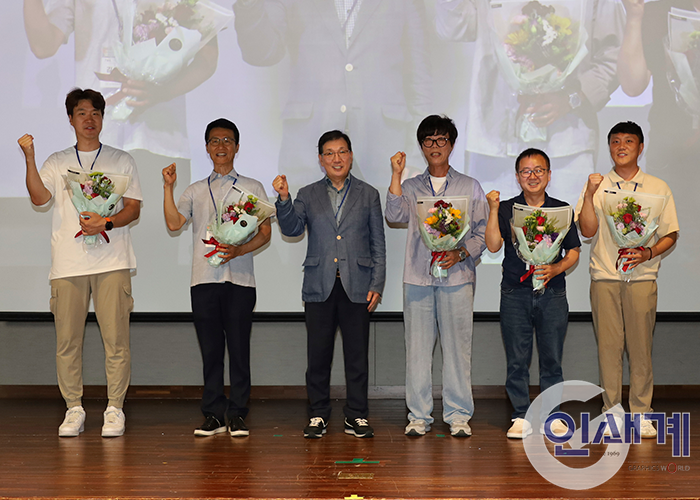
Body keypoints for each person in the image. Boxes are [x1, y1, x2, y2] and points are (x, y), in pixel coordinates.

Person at [17, 88, 142, 437]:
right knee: (67, 342)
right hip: (68, 264)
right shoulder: (57, 161)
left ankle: (114, 408)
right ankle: (74, 408)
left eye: (96, 113)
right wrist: (30, 157)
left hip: (112, 261)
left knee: (116, 341)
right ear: (71, 119)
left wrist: (107, 222)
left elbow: (133, 208)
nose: (90, 119)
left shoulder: (121, 159)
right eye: (82, 113)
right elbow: (40, 198)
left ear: (103, 118)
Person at [435, 0, 624, 199]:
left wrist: (572, 98)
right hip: (493, 142)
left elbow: (614, 53)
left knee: (567, 219)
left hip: (566, 144)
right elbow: (454, 28)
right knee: (488, 219)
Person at [234, 0, 431, 187]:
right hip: (308, 151)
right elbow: (262, 53)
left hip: (384, 156)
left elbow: (420, 78)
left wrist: (418, 157)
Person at [272, 130, 386, 439]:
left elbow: (378, 243)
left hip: (358, 285)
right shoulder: (307, 193)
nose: (337, 158)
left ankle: (357, 415)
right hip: (319, 284)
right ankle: (318, 414)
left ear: (351, 155)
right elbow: (292, 229)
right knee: (318, 356)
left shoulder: (368, 194)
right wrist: (284, 199)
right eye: (330, 153)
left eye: (342, 151)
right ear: (321, 159)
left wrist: (377, 282)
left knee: (357, 357)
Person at [162, 119, 271, 437]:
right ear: (207, 148)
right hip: (204, 280)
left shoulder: (252, 188)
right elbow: (174, 223)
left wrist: (239, 250)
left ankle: (237, 414)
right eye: (214, 141)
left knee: (239, 350)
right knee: (210, 351)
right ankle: (213, 414)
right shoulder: (195, 190)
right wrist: (168, 187)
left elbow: (265, 232)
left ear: (236, 147)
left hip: (240, 280)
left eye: (227, 140)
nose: (221, 146)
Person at [575, 121, 679, 438]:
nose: (621, 146)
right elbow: (587, 231)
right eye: (615, 141)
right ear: (609, 147)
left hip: (642, 277)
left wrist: (647, 253)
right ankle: (611, 412)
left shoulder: (657, 187)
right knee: (608, 349)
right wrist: (590, 194)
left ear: (640, 147)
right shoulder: (597, 184)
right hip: (605, 276)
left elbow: (671, 233)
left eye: (629, 141)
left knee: (640, 349)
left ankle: (641, 413)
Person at [386, 115, 487, 438]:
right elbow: (394, 214)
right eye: (428, 140)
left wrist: (460, 253)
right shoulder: (411, 186)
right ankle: (418, 416)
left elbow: (483, 232)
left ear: (451, 145)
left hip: (457, 278)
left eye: (441, 139)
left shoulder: (470, 186)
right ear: (422, 146)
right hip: (418, 277)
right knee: (417, 349)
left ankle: (458, 415)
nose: (435, 146)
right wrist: (396, 175)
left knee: (458, 349)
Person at [484, 148, 580, 438]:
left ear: (549, 175)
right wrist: (492, 209)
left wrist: (556, 268)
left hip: (552, 293)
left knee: (552, 358)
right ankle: (520, 415)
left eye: (539, 170)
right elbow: (492, 245)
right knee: (517, 359)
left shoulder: (562, 209)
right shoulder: (507, 209)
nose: (533, 176)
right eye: (526, 171)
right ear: (517, 177)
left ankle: (552, 415)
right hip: (515, 291)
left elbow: (574, 251)